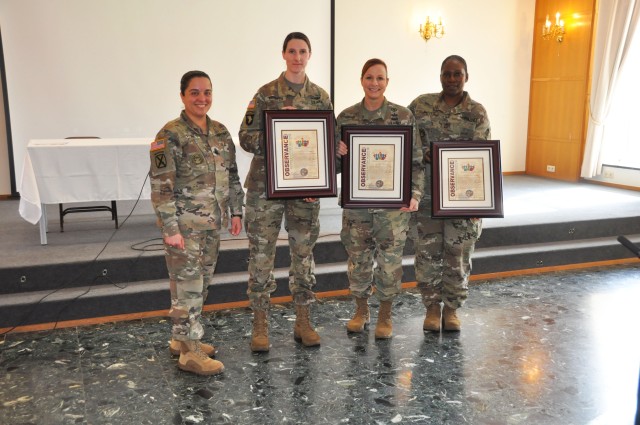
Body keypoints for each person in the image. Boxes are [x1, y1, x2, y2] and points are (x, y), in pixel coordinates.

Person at [239, 32, 333, 352]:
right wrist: (275, 130)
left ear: (310, 55)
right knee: (261, 256)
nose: (297, 57)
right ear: (283, 54)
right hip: (265, 187)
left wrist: (318, 183)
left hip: (303, 190)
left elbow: (326, 145)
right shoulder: (265, 95)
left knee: (303, 255)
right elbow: (245, 138)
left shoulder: (320, 98)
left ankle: (303, 320)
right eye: (291, 51)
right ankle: (260, 323)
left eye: (302, 51)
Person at [150, 70, 244, 375]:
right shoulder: (170, 134)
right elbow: (162, 186)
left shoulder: (220, 131)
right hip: (185, 227)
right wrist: (170, 229)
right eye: (194, 93)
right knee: (188, 288)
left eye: (207, 92)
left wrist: (237, 212)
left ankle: (182, 339)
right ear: (182, 96)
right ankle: (190, 353)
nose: (202, 98)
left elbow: (231, 176)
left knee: (199, 285)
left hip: (212, 224)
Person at [337, 58, 424, 339]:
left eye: (380, 78)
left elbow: (416, 161)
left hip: (392, 209)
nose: (374, 83)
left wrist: (414, 193)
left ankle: (385, 315)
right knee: (358, 261)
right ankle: (361, 311)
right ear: (361, 80)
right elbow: (336, 168)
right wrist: (336, 153)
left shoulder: (404, 116)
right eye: (369, 77)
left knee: (389, 264)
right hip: (357, 208)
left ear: (387, 82)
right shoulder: (346, 117)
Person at [408, 55, 491, 332]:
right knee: (427, 256)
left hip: (463, 200)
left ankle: (452, 309)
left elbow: (482, 157)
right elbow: (403, 138)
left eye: (458, 74)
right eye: (447, 74)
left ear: (466, 76)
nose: (452, 79)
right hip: (428, 198)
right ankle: (432, 308)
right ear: (440, 76)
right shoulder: (421, 106)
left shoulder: (476, 113)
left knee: (458, 256)